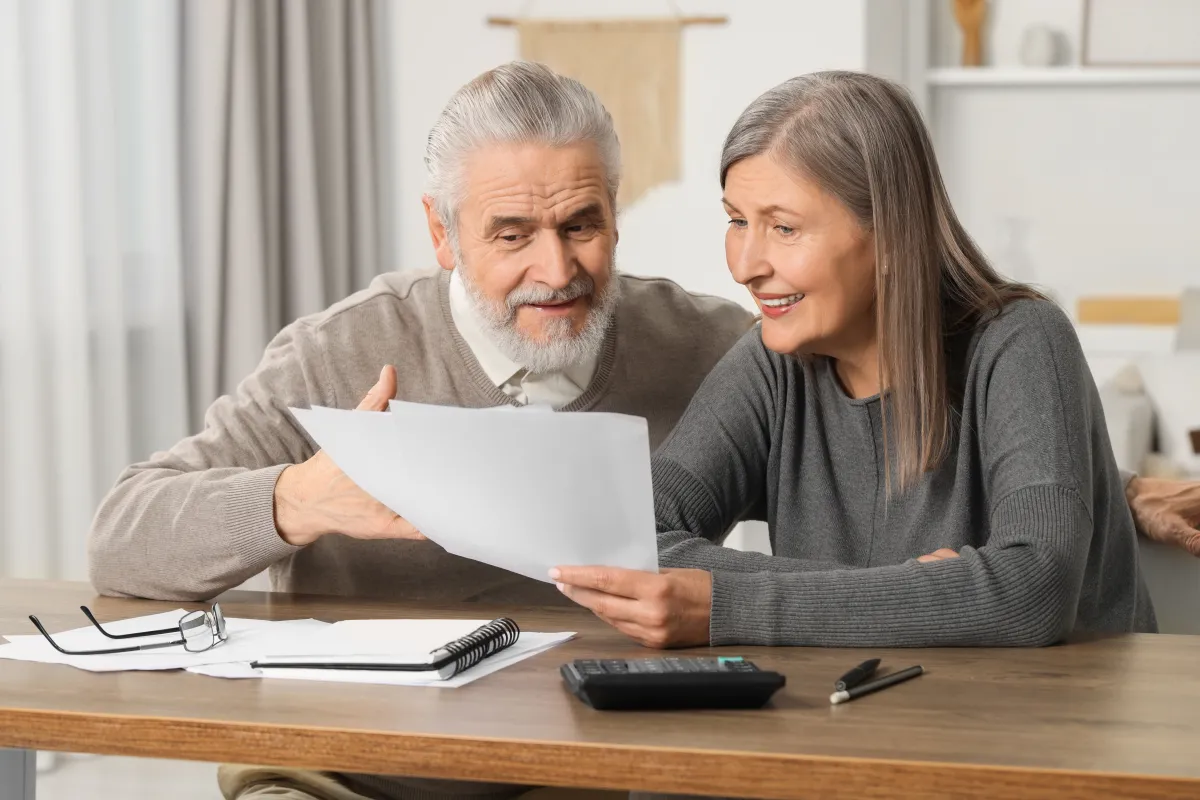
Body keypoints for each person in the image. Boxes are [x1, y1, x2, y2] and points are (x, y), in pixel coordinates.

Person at [88, 63, 1195, 799]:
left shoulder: (759, 336)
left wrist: (1103, 494)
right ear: (442, 232)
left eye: (582, 224)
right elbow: (641, 539)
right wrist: (297, 500)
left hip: (943, 749)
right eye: (511, 232)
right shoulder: (344, 351)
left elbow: (1030, 575)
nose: (556, 267)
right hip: (364, 773)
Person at [552, 71, 1161, 648]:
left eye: (784, 228)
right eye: (738, 221)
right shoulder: (774, 363)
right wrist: (917, 595)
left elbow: (1034, 588)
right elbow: (631, 540)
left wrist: (730, 606)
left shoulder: (1022, 342)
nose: (744, 265)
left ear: (892, 235)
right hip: (860, 720)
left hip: (1052, 734)